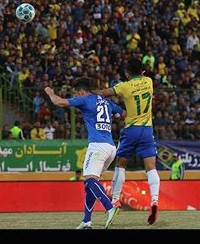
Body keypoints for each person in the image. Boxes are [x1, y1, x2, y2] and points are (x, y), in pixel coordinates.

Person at [45, 77, 125, 229]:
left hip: (97, 146)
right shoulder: (106, 102)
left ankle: (110, 207)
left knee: (89, 180)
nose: (76, 96)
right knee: (90, 184)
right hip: (110, 147)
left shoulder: (85, 99)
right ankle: (87, 220)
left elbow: (58, 102)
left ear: (82, 91)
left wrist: (50, 92)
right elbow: (124, 114)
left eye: (77, 93)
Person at [93, 58, 160, 226]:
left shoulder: (124, 86)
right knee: (151, 168)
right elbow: (141, 75)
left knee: (120, 164)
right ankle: (155, 200)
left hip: (131, 130)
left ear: (127, 73)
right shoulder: (149, 81)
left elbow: (104, 93)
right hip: (147, 130)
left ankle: (115, 200)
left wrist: (90, 91)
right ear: (142, 71)